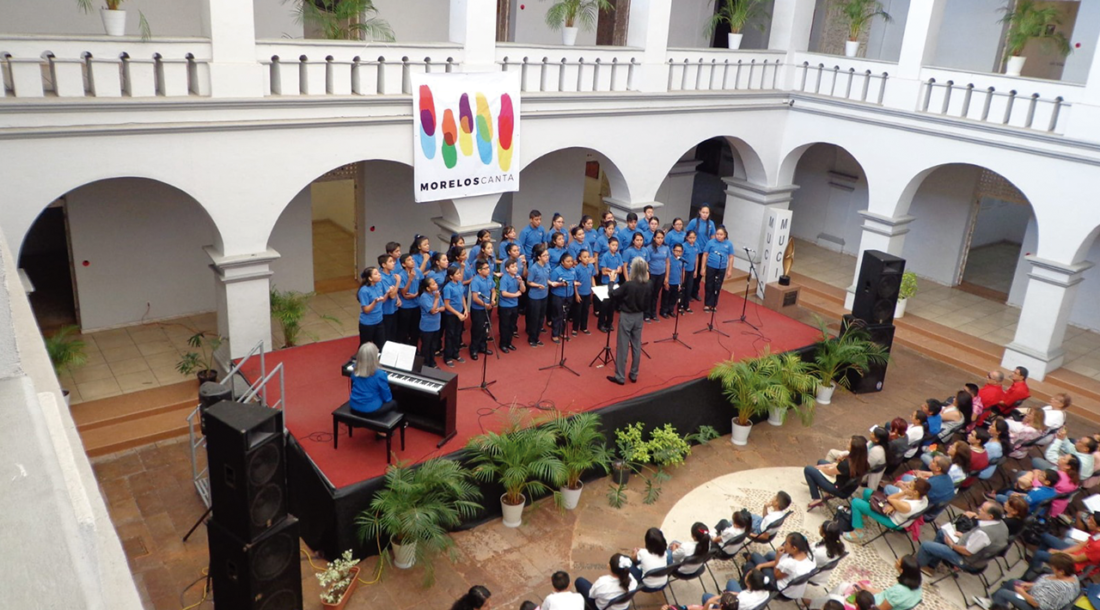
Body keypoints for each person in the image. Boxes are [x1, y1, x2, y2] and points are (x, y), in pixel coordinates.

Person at [917, 501, 1008, 574]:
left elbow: (967, 552)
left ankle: (915, 567)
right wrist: (963, 536)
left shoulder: (984, 533)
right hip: (973, 551)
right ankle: (930, 566)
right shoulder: (1001, 524)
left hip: (967, 560)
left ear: (990, 516)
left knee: (926, 545)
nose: (979, 509)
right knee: (942, 533)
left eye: (982, 509)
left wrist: (951, 545)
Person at [607, 257, 651, 386]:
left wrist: (611, 282)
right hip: (640, 316)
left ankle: (620, 376)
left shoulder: (629, 285)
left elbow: (613, 294)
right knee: (637, 345)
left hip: (627, 316)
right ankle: (634, 374)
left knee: (623, 346)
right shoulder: (649, 284)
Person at [844, 478, 930, 544]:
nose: (907, 486)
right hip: (895, 511)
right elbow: (896, 502)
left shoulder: (908, 506)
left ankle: (858, 532)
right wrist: (894, 506)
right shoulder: (924, 499)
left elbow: (890, 498)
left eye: (910, 486)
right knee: (867, 492)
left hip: (892, 520)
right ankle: (863, 516)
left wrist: (903, 494)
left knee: (856, 502)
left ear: (915, 492)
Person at [983, 552, 1079, 610]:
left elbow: (1037, 603)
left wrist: (1021, 592)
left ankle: (997, 604)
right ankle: (993, 604)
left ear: (1061, 571)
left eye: (1053, 568)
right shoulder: (1072, 576)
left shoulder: (1059, 587)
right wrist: (1032, 585)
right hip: (1036, 593)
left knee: (1003, 593)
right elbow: (1048, 583)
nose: (1052, 569)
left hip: (1034, 606)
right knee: (1012, 582)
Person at [1022, 510, 1100, 581]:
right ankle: (1035, 568)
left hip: (1073, 565)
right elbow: (1079, 546)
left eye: (1091, 521)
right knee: (1045, 537)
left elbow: (1077, 559)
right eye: (1089, 519)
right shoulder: (1095, 533)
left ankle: (1026, 579)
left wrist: (1058, 553)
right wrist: (1060, 552)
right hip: (1074, 554)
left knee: (1039, 554)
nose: (1088, 521)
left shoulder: (1098, 546)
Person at [741, 532, 816, 599]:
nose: (784, 545)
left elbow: (776, 575)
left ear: (794, 548)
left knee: (753, 559)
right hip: (795, 590)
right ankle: (753, 564)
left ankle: (745, 584)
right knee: (769, 555)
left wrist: (777, 556)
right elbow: (782, 565)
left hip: (780, 589)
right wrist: (761, 565)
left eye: (786, 543)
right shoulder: (810, 557)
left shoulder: (790, 563)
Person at [806, 435, 870, 511]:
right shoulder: (863, 462)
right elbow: (838, 467)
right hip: (846, 485)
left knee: (809, 469)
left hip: (838, 488)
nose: (847, 444)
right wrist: (825, 465)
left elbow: (829, 472)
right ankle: (821, 487)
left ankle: (816, 498)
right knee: (821, 461)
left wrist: (820, 468)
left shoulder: (847, 464)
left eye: (849, 443)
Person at [348, 342, 397, 415]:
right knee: (394, 403)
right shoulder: (380, 374)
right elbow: (387, 398)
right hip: (370, 409)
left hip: (354, 406)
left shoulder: (355, 369)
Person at [858, 555, 923, 610]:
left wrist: (864, 597)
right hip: (882, 600)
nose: (896, 561)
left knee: (859, 597)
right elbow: (887, 594)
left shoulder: (898, 590)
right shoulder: (918, 588)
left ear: (901, 570)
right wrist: (869, 590)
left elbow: (881, 608)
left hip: (875, 605)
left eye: (898, 561)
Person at [701, 226, 735, 312]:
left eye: (721, 234)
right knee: (709, 285)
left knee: (717, 286)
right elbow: (705, 255)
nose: (719, 236)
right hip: (711, 266)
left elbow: (731, 257)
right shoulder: (710, 242)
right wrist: (703, 268)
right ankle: (707, 304)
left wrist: (730, 269)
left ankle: (714, 304)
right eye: (717, 234)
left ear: (725, 235)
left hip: (721, 267)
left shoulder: (729, 244)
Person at [686, 206, 716, 301]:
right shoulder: (694, 222)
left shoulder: (711, 223)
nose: (705, 214)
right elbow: (688, 234)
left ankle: (695, 292)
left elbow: (712, 237)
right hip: (694, 250)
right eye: (703, 212)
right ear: (699, 212)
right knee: (692, 271)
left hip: (704, 251)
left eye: (707, 213)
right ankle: (688, 292)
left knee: (700, 273)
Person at [702, 569, 770, 610]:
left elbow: (737, 601)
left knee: (706, 596)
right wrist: (733, 594)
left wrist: (709, 602)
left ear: (749, 584)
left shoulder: (742, 599)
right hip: (746, 604)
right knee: (732, 582)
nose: (745, 575)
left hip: (737, 606)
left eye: (747, 575)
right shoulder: (766, 592)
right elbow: (741, 596)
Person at [549, 253, 579, 342]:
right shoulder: (556, 271)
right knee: (557, 315)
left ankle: (561, 332)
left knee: (565, 315)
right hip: (558, 296)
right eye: (568, 261)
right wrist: (561, 284)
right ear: (562, 262)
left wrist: (575, 284)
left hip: (569, 295)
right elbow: (551, 283)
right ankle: (555, 334)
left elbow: (574, 281)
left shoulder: (573, 270)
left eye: (571, 261)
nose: (570, 263)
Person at [469, 260, 496, 360]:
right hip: (478, 309)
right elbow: (475, 298)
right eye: (485, 268)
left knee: (486, 327)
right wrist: (486, 305)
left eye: (488, 268)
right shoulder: (476, 281)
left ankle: (483, 346)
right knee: (477, 329)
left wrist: (493, 300)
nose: (488, 270)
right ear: (479, 270)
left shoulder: (489, 278)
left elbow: (493, 290)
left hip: (488, 307)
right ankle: (474, 349)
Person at [442, 264, 467, 367]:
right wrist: (458, 314)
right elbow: (446, 305)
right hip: (451, 315)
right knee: (450, 335)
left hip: (460, 313)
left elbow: (462, 297)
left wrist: (465, 309)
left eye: (460, 273)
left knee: (458, 334)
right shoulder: (448, 288)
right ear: (451, 276)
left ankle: (456, 353)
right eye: (457, 274)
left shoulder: (460, 284)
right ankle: (447, 357)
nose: (460, 275)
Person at [497, 257, 524, 353]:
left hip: (514, 305)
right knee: (505, 326)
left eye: (516, 266)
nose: (515, 268)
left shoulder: (517, 277)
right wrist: (515, 295)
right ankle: (503, 344)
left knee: (512, 325)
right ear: (507, 269)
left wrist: (521, 282)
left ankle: (509, 342)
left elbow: (523, 290)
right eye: (512, 267)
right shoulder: (504, 278)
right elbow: (503, 293)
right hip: (505, 306)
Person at [808, 521, 846, 588]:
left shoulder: (819, 552)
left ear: (824, 534)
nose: (819, 527)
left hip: (812, 573)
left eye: (820, 527)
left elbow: (807, 561)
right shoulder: (839, 546)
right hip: (822, 573)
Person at [357, 266, 387, 348]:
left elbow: (382, 301)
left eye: (378, 273)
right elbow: (366, 310)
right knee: (365, 347)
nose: (379, 275)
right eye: (376, 274)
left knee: (381, 345)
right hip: (368, 323)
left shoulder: (378, 285)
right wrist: (375, 302)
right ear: (370, 278)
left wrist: (387, 293)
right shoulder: (364, 290)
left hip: (379, 320)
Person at [526, 244, 551, 347]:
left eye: (547, 255)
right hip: (535, 296)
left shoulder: (547, 266)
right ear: (539, 257)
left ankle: (537, 337)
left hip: (544, 295)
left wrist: (550, 283)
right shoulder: (533, 268)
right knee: (534, 318)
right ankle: (532, 338)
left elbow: (546, 278)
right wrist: (538, 285)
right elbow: (529, 282)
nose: (547, 257)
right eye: (545, 255)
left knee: (541, 318)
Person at [396, 253, 423, 345]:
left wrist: (417, 294)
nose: (412, 261)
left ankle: (414, 349)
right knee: (404, 329)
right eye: (409, 260)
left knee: (415, 329)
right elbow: (404, 292)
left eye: (412, 259)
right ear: (404, 264)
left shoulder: (418, 271)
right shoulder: (401, 275)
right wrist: (410, 279)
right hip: (406, 307)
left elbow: (422, 285)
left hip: (417, 304)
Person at [417, 278, 444, 368]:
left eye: (435, 283)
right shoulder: (424, 297)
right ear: (428, 288)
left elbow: (443, 307)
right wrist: (436, 299)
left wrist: (438, 308)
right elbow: (432, 310)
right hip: (427, 327)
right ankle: (424, 365)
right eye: (433, 284)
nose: (436, 285)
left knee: (433, 346)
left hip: (436, 325)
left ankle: (432, 363)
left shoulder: (436, 294)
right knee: (426, 347)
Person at [598, 237, 623, 332]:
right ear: (609, 245)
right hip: (606, 283)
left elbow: (620, 269)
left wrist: (616, 270)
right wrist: (611, 270)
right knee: (604, 305)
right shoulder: (605, 256)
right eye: (613, 245)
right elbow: (603, 271)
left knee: (612, 305)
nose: (615, 247)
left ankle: (609, 323)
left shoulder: (618, 255)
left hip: (615, 283)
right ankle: (601, 324)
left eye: (616, 245)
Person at [646, 229, 670, 321]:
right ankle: (647, 314)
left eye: (662, 238)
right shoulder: (649, 248)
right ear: (654, 238)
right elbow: (646, 262)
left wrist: (667, 277)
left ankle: (653, 313)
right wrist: (648, 273)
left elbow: (667, 263)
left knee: (656, 295)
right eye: (658, 238)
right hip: (652, 274)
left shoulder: (666, 248)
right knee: (649, 294)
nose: (660, 240)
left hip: (661, 274)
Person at [378, 253, 400, 344]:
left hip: (394, 308)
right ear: (384, 265)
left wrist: (398, 298)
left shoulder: (392, 273)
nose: (393, 263)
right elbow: (391, 295)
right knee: (387, 335)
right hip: (386, 311)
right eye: (390, 262)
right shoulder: (382, 278)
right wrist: (398, 281)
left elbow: (394, 290)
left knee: (394, 332)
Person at [573, 250, 595, 335]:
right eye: (584, 257)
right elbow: (575, 282)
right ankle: (575, 328)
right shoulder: (577, 269)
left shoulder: (591, 266)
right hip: (580, 293)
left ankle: (584, 327)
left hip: (588, 292)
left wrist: (594, 288)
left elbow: (592, 277)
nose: (587, 259)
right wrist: (577, 294)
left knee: (586, 311)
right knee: (578, 311)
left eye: (588, 257)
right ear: (579, 258)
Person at [663, 243, 685, 319]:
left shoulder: (681, 260)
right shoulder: (669, 259)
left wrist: (681, 283)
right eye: (676, 251)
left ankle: (670, 310)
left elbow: (682, 272)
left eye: (680, 251)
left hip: (677, 282)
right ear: (672, 250)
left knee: (674, 298)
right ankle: (664, 311)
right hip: (669, 282)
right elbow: (666, 271)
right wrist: (666, 281)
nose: (678, 253)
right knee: (666, 297)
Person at [680, 231, 699, 314]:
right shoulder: (683, 246)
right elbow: (680, 258)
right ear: (687, 238)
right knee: (682, 288)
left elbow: (697, 258)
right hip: (684, 271)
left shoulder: (696, 245)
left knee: (689, 288)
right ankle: (680, 306)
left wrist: (696, 270)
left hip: (691, 270)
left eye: (693, 238)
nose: (692, 239)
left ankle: (686, 306)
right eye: (690, 238)